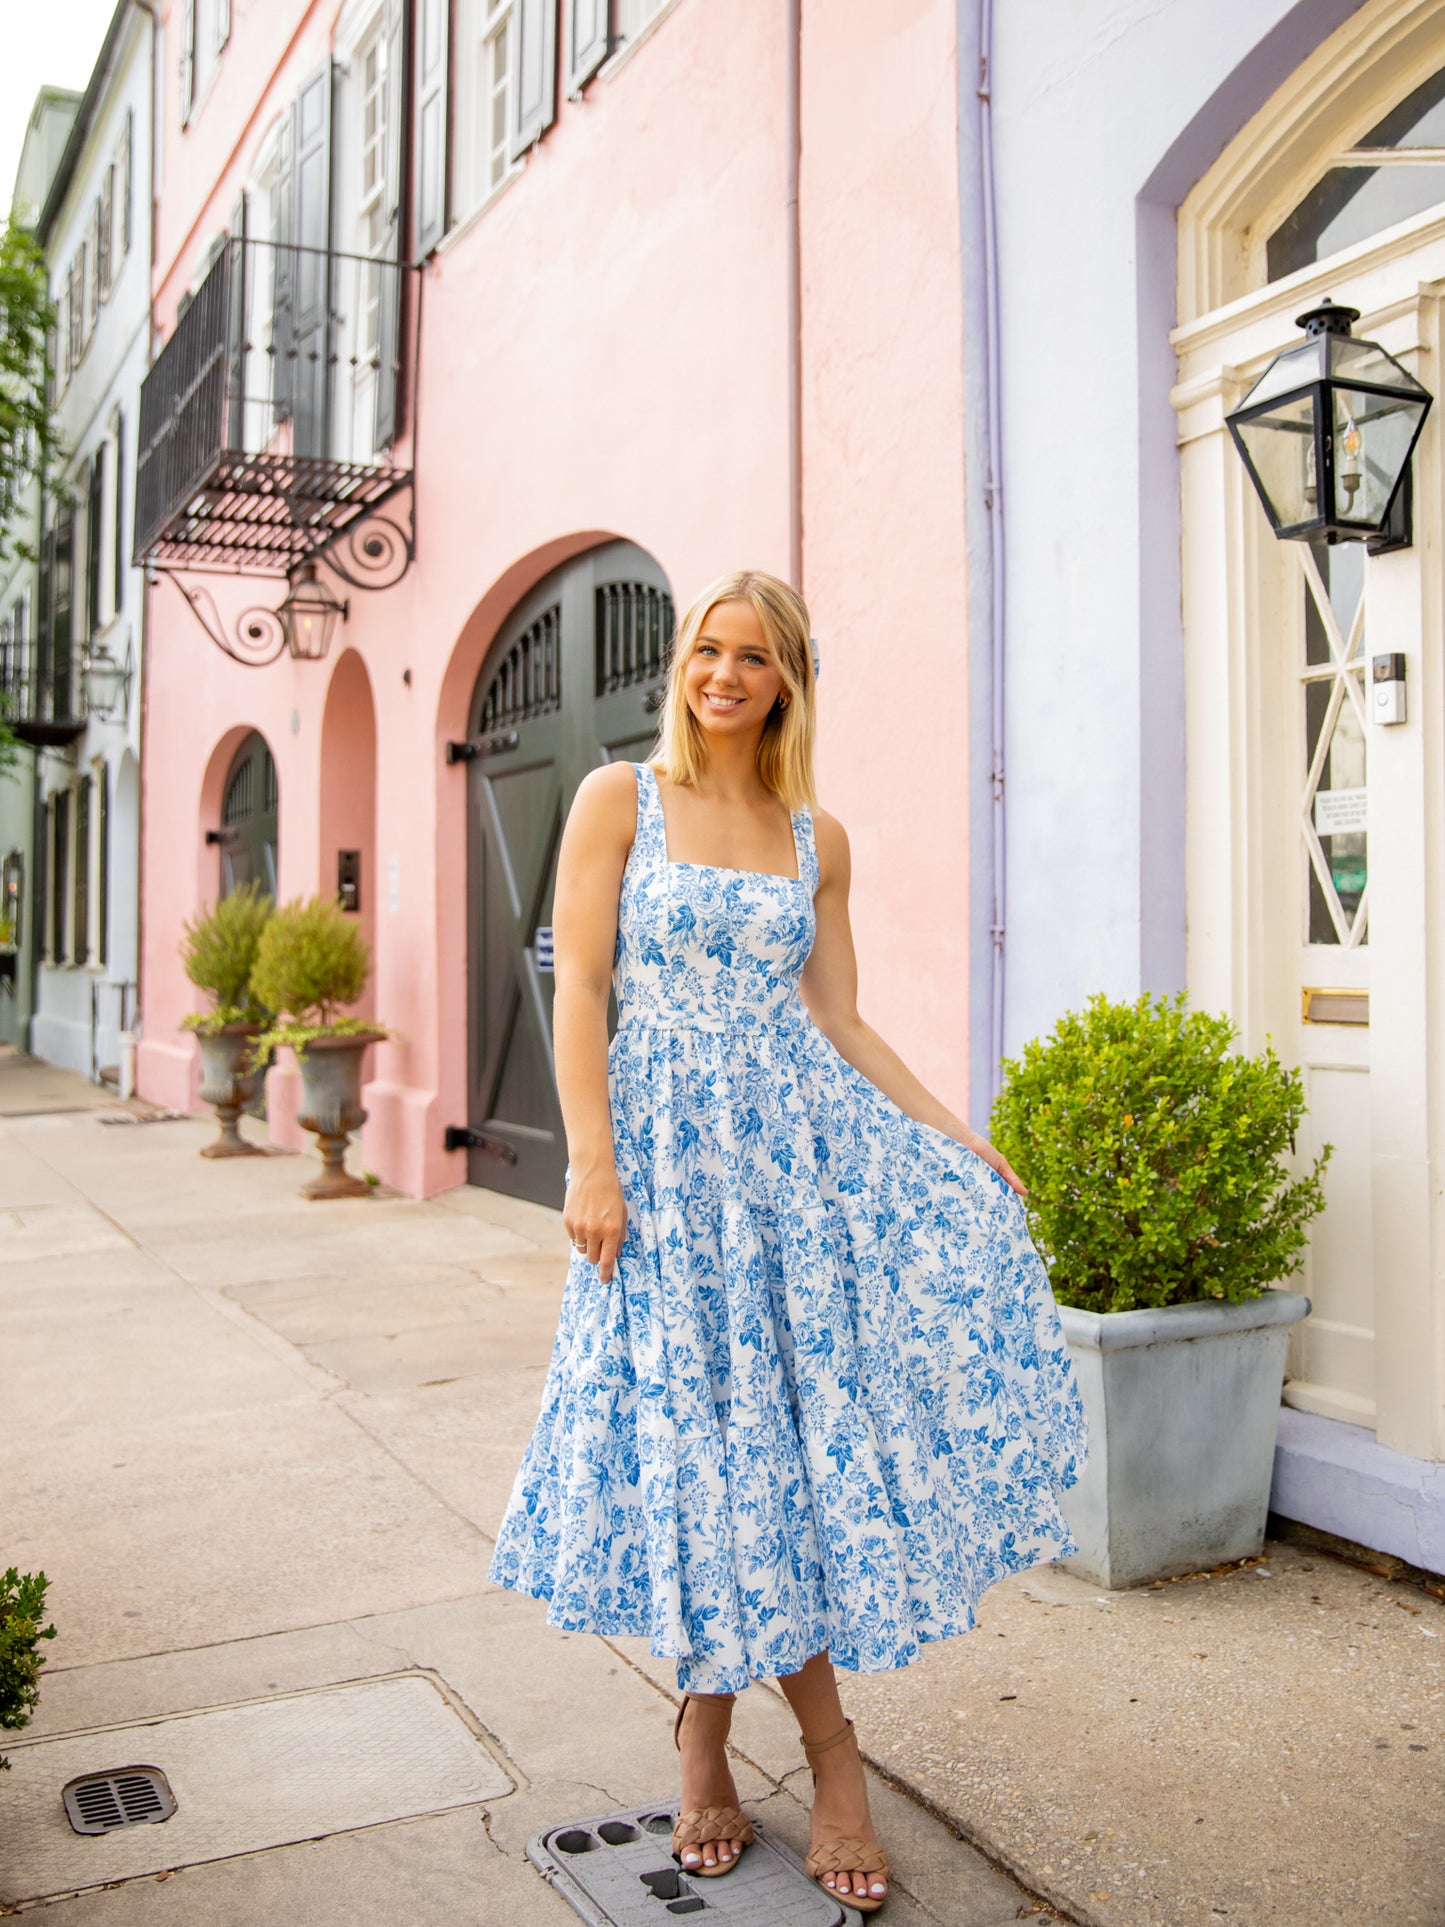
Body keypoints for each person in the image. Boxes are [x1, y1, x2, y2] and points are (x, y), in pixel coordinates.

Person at [489, 569, 1087, 1912]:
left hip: (791, 1183)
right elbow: (578, 982)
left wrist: (953, 1134)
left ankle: (738, 1743)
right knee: (703, 1447)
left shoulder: (817, 835)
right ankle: (792, 1752)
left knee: (776, 1456)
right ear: (683, 665)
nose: (723, 675)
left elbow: (843, 1021)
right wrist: (589, 1158)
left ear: (786, 681)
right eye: (708, 649)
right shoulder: (614, 802)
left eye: (753, 657)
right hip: (654, 1172)